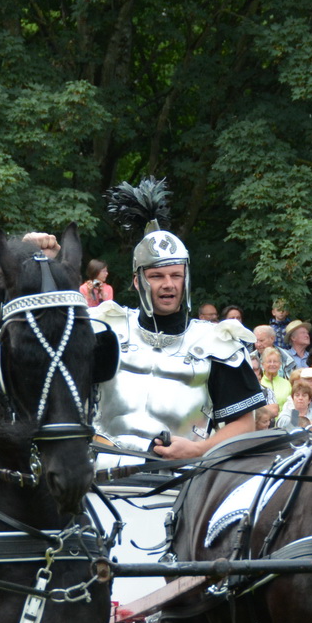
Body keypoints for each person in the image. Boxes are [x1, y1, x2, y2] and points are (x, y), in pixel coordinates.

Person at [81, 181, 267, 461]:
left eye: (175, 275)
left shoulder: (217, 343)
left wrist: (198, 449)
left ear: (186, 279)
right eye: (156, 276)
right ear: (137, 281)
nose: (168, 284)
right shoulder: (106, 331)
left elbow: (244, 425)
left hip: (180, 485)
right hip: (99, 481)